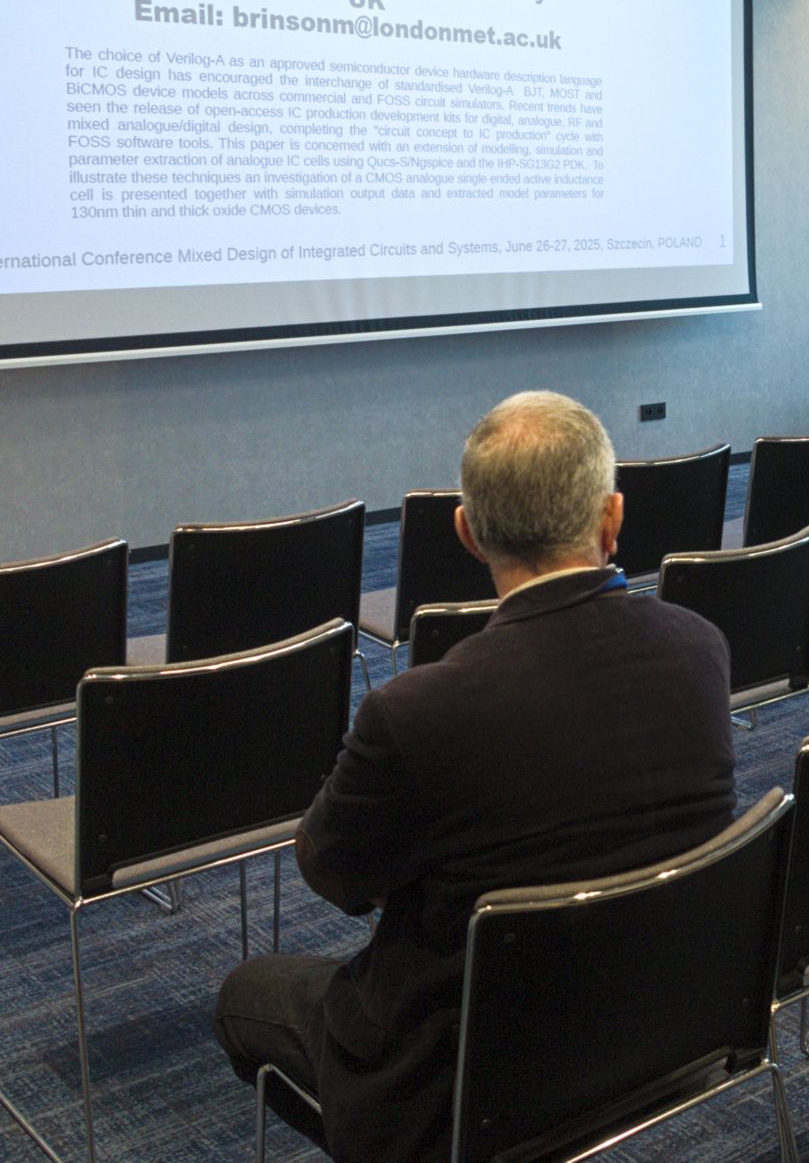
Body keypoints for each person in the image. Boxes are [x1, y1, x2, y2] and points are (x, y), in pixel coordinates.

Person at [213, 391, 736, 1163]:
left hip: (468, 1085)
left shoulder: (417, 711)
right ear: (612, 517)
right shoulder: (702, 647)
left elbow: (333, 871)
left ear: (466, 532)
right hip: (664, 1029)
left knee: (243, 997)